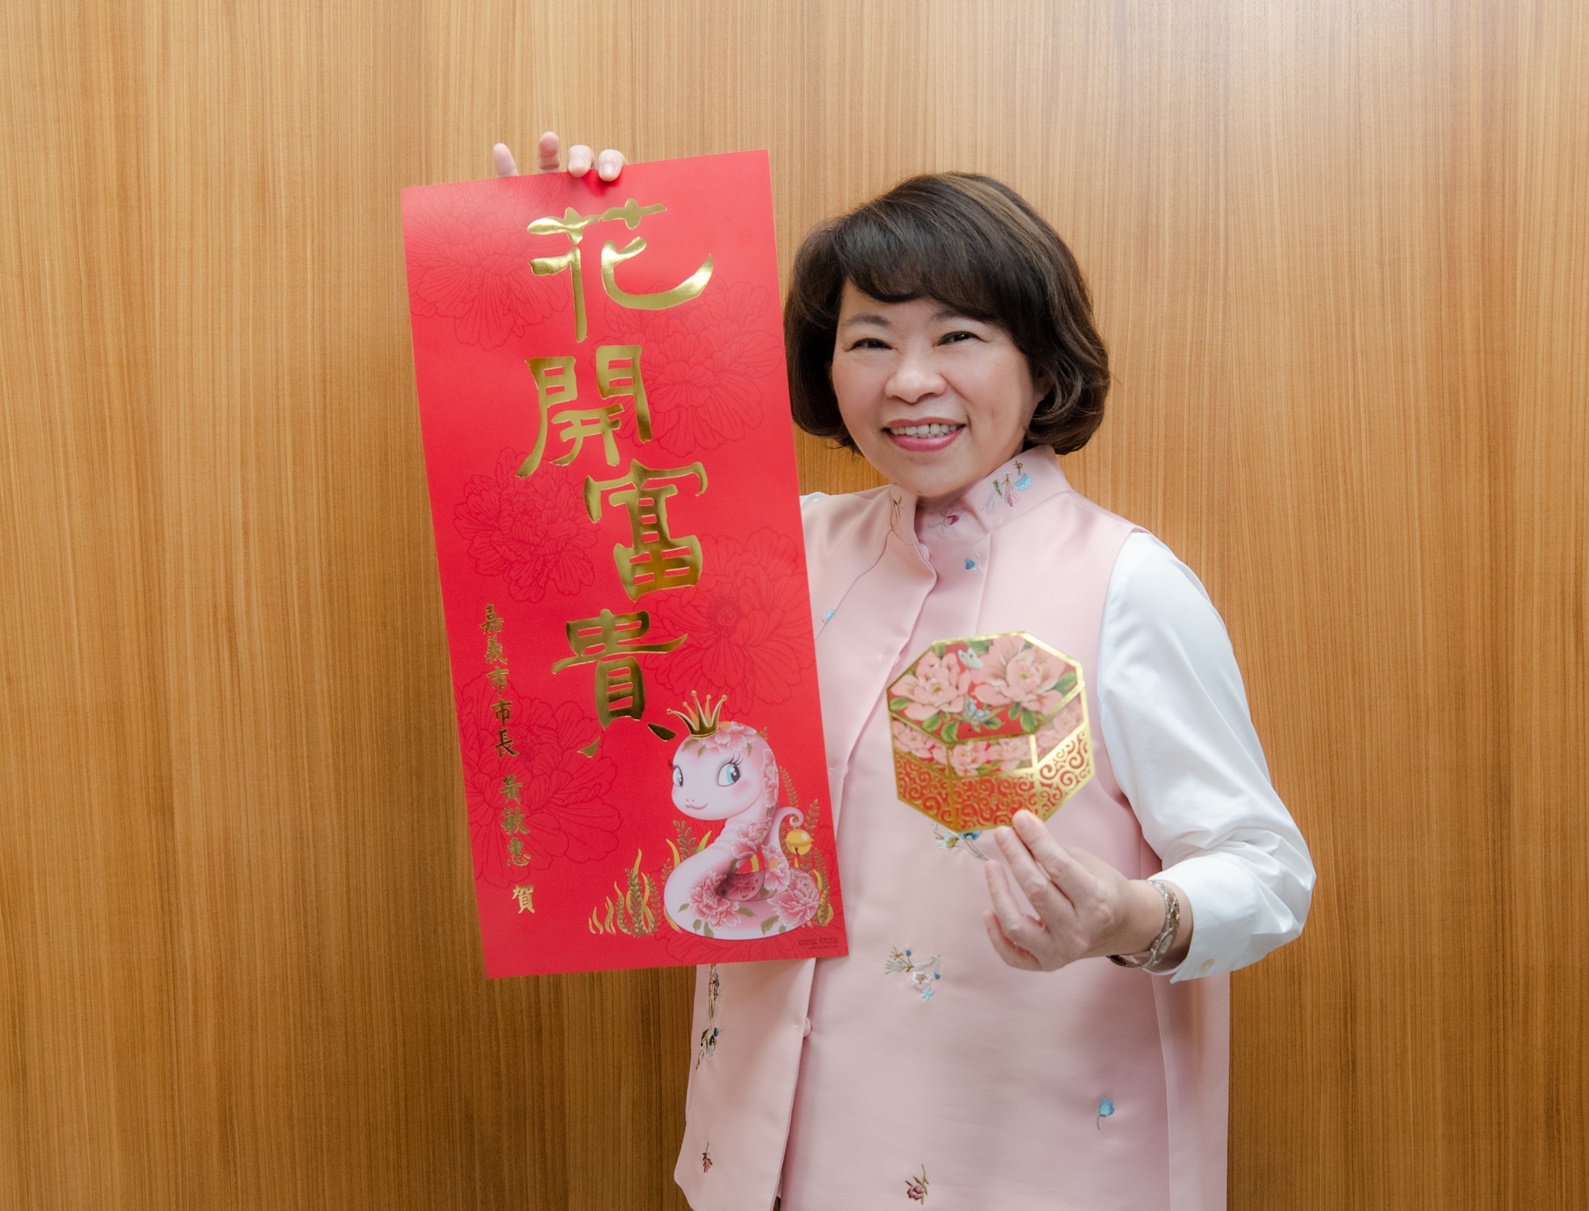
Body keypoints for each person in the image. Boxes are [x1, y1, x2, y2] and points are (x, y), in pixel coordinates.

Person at [495, 135, 1315, 1211]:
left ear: (1040, 362)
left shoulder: (1127, 585)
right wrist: (551, 281)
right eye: (869, 340)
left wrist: (1129, 915)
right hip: (763, 1164)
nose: (910, 379)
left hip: (1023, 1168)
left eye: (958, 335)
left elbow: (1265, 870)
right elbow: (578, 567)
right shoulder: (777, 552)